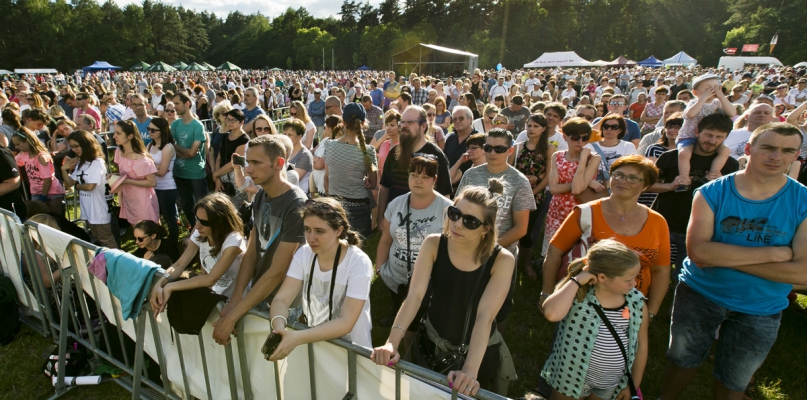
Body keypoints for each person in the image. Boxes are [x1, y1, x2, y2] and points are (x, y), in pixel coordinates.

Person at [660, 123, 807, 400]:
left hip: (761, 306)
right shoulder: (712, 192)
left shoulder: (803, 200)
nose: (776, 156)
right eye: (768, 148)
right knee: (681, 360)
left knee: (735, 378)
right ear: (748, 149)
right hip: (701, 294)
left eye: (787, 151)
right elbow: (699, 253)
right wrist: (774, 254)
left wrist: (721, 257)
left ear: (796, 156)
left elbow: (802, 273)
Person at [370, 181, 515, 396]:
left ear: (486, 229)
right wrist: (392, 342)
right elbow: (415, 296)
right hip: (429, 345)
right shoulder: (434, 243)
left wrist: (469, 371)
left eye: (470, 221)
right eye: (455, 214)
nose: (458, 224)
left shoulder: (502, 259)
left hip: (477, 354)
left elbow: (484, 316)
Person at [543, 154, 670, 321]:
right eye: (618, 175)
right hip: (581, 307)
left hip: (631, 312)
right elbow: (554, 253)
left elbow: (661, 270)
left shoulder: (657, 222)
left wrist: (650, 312)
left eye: (633, 178)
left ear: (645, 186)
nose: (623, 181)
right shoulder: (585, 212)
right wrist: (547, 293)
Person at [213, 135, 307, 345]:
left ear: (279, 163)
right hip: (258, 293)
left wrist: (234, 314)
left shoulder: (296, 203)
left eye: (256, 163)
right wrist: (236, 298)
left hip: (285, 302)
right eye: (248, 162)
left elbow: (278, 271)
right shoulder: (261, 195)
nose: (248, 170)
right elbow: (252, 252)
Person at [266, 197, 374, 358]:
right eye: (307, 229)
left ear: (338, 231)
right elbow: (281, 299)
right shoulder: (304, 253)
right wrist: (280, 328)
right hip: (314, 344)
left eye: (319, 231)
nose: (311, 238)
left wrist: (296, 338)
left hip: (351, 352)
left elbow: (346, 322)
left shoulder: (358, 261)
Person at [542, 239, 649, 400]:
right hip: (570, 377)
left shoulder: (636, 302)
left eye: (635, 277)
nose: (634, 283)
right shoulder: (579, 294)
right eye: (628, 280)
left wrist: (633, 384)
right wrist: (577, 280)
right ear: (603, 277)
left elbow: (641, 346)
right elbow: (551, 314)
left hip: (610, 383)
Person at [457, 128, 535, 330]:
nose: (492, 153)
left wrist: (488, 248)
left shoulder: (519, 181)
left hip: (500, 254)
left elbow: (521, 228)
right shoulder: (471, 174)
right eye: (488, 148)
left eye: (499, 149)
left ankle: (494, 343)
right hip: (466, 249)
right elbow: (457, 210)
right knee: (465, 299)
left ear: (510, 151)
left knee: (500, 306)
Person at [649, 114, 739, 284]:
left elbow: (734, 199)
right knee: (652, 268)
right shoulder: (671, 156)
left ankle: (675, 299)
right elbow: (647, 185)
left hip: (698, 229)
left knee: (683, 276)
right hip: (664, 221)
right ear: (697, 131)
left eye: (719, 137)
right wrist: (670, 186)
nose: (712, 141)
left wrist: (720, 185)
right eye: (708, 135)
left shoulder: (729, 164)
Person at [376, 156, 452, 330]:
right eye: (414, 175)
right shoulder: (396, 204)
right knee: (398, 302)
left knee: (423, 317)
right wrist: (380, 268)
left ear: (435, 179)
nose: (418, 181)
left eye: (425, 177)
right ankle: (396, 317)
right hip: (395, 276)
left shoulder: (447, 209)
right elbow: (386, 239)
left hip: (429, 280)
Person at [150, 193, 246, 313]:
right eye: (197, 219)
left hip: (239, 303)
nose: (197, 226)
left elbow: (211, 278)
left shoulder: (233, 240)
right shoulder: (200, 234)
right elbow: (180, 265)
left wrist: (170, 287)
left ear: (220, 221)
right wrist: (160, 283)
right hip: (217, 300)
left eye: (204, 222)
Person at [543, 118, 602, 255]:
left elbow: (576, 190)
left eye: (585, 138)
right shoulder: (557, 156)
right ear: (565, 136)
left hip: (580, 213)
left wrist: (582, 160)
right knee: (553, 253)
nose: (580, 142)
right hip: (557, 211)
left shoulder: (593, 158)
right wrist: (587, 183)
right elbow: (553, 189)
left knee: (577, 254)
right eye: (576, 137)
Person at [323, 103, 378, 239]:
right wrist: (365, 179)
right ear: (363, 123)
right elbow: (373, 184)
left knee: (336, 245)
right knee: (358, 248)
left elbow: (327, 177)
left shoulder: (329, 145)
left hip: (336, 204)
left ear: (343, 121)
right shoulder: (369, 151)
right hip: (359, 206)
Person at [675, 73, 736, 191]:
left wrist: (722, 97)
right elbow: (690, 114)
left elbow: (731, 113)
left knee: (725, 150)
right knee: (684, 153)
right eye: (708, 88)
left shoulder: (717, 103)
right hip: (688, 135)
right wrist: (702, 99)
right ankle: (684, 178)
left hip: (709, 137)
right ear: (695, 92)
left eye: (715, 88)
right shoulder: (693, 102)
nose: (712, 91)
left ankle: (713, 174)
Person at [513, 114, 554, 279]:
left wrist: (533, 190)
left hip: (536, 195)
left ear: (543, 128)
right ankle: (513, 261)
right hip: (516, 194)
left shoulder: (548, 149)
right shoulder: (518, 147)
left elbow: (548, 176)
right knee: (513, 228)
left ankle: (527, 263)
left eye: (536, 126)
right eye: (529, 125)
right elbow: (510, 170)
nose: (531, 129)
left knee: (527, 231)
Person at [60, 130, 117, 248]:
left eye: (76, 146)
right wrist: (63, 170)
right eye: (72, 147)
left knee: (106, 239)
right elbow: (69, 183)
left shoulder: (97, 162)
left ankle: (118, 259)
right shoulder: (81, 162)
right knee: (97, 237)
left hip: (98, 209)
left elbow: (90, 186)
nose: (73, 150)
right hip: (88, 207)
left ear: (86, 144)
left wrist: (77, 186)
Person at [172, 92, 209, 227]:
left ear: (187, 104)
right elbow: (171, 147)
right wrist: (185, 152)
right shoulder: (175, 124)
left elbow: (192, 152)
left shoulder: (197, 126)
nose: (174, 107)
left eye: (177, 103)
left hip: (195, 173)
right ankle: (194, 230)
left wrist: (177, 148)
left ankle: (207, 230)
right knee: (187, 205)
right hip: (179, 172)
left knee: (203, 205)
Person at [112, 120, 159, 224]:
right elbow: (124, 174)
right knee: (134, 227)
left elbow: (152, 182)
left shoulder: (143, 160)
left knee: (147, 228)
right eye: (114, 132)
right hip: (128, 197)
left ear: (130, 136)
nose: (114, 136)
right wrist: (114, 177)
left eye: (118, 133)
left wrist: (127, 181)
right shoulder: (119, 152)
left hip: (142, 199)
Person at [11, 127, 65, 215]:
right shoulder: (24, 155)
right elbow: (13, 162)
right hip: (35, 192)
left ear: (27, 141)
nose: (16, 147)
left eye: (18, 144)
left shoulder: (41, 157)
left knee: (54, 217)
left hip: (51, 192)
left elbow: (47, 179)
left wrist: (43, 196)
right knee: (37, 217)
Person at [146, 117, 179, 245]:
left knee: (169, 218)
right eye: (149, 129)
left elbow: (162, 172)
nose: (150, 132)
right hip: (153, 187)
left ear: (162, 131)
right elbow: (146, 166)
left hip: (167, 188)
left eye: (153, 130)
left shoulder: (168, 147)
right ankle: (159, 242)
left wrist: (150, 166)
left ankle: (173, 244)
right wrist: (156, 166)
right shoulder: (149, 146)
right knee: (154, 216)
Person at [213, 109, 249, 196]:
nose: (230, 122)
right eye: (228, 119)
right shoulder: (225, 136)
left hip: (236, 180)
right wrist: (217, 178)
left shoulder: (244, 140)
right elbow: (219, 158)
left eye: (234, 120)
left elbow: (233, 163)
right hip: (222, 178)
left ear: (241, 122)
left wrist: (215, 174)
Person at [311, 115, 343, 196]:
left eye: (326, 125)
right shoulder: (325, 140)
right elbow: (311, 151)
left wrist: (312, 160)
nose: (324, 127)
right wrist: (317, 158)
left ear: (331, 129)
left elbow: (319, 166)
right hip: (317, 185)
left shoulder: (335, 145)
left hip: (325, 188)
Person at [282, 118, 313, 195]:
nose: (286, 137)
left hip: (298, 197)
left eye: (290, 135)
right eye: (285, 134)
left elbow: (292, 180)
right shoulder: (283, 151)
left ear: (299, 137)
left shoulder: (305, 155)